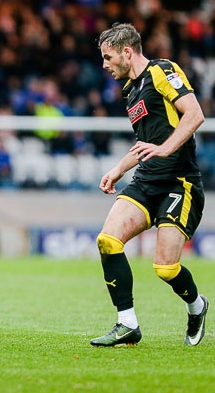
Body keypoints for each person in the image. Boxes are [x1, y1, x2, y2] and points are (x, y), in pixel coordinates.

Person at [92, 23, 208, 347]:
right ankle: (126, 323)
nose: (104, 65)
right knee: (107, 241)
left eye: (107, 56)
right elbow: (146, 143)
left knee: (165, 267)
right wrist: (117, 169)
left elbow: (195, 114)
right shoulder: (130, 91)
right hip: (147, 180)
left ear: (126, 52)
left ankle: (197, 306)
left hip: (179, 182)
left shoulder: (163, 71)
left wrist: (165, 149)